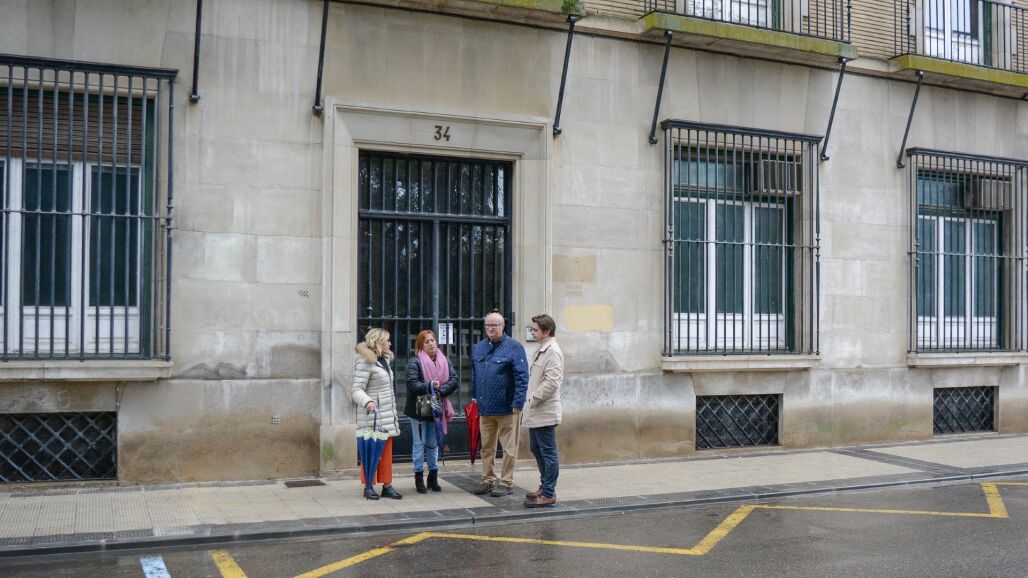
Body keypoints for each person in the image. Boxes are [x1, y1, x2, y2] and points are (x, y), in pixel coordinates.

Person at [470, 311, 528, 497]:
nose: (490, 328)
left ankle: (506, 482)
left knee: (509, 449)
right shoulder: (480, 347)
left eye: (494, 325)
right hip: (485, 407)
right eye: (487, 325)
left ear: (503, 326)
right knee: (487, 447)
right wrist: (474, 397)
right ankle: (488, 480)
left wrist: (518, 402)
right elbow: (475, 374)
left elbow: (522, 377)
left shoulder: (514, 347)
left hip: (507, 407)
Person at [405, 329, 459, 494]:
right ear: (421, 345)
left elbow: (454, 380)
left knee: (433, 443)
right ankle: (418, 477)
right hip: (418, 409)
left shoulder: (444, 360)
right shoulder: (415, 362)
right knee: (419, 443)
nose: (431, 344)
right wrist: (429, 386)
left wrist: (440, 391)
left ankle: (433, 476)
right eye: (426, 341)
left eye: (432, 340)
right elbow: (412, 384)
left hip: (436, 406)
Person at [352, 328, 402, 501]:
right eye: (387, 340)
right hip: (371, 415)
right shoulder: (365, 361)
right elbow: (356, 390)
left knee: (386, 452)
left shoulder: (384, 360)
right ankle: (369, 486)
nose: (390, 344)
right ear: (378, 342)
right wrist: (368, 401)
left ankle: (387, 485)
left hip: (386, 414)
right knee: (371, 452)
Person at [521, 314, 564, 508]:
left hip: (544, 410)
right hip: (536, 410)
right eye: (532, 329)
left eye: (535, 330)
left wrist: (533, 398)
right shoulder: (542, 349)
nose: (532, 332)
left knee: (548, 452)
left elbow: (553, 382)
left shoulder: (552, 351)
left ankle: (548, 493)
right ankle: (545, 486)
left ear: (546, 332)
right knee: (536, 448)